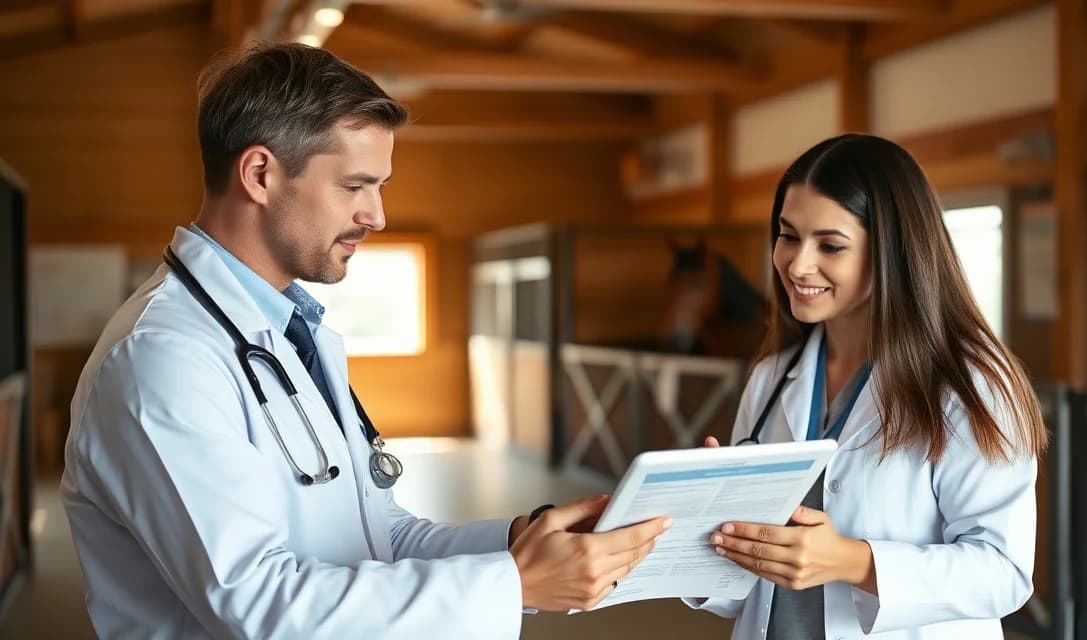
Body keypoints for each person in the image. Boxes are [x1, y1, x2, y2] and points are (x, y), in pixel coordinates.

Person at [60, 42, 667, 639]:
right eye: (355, 186)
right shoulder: (162, 358)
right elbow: (260, 607)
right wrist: (513, 583)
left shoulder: (290, 332)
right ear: (259, 174)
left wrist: (520, 544)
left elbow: (379, 537)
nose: (376, 214)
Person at [690, 133, 1047, 639]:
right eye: (788, 235)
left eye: (830, 245)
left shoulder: (971, 385)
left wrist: (854, 562)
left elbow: (1003, 574)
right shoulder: (774, 377)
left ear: (893, 252)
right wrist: (708, 521)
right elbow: (749, 580)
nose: (797, 264)